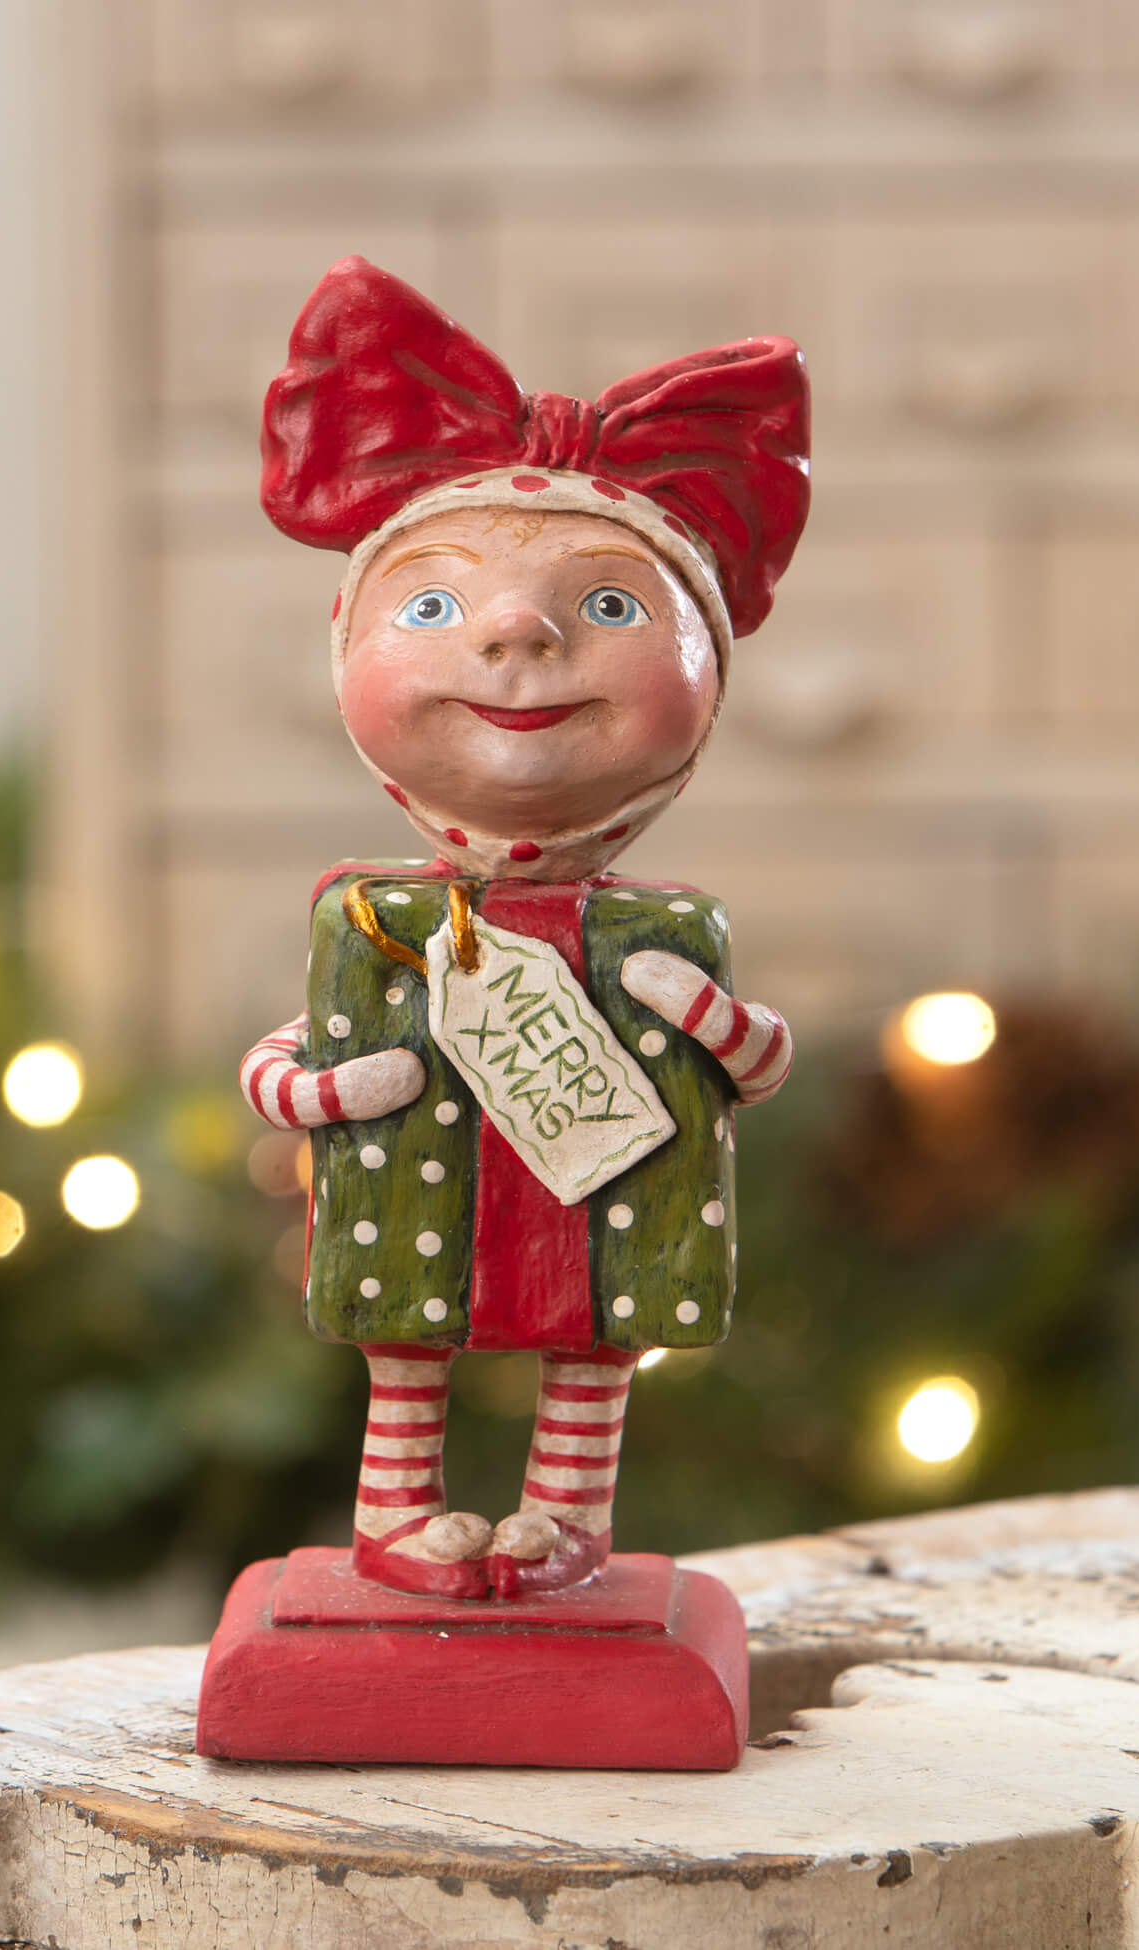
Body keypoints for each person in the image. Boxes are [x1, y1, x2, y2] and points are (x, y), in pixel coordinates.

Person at [238, 256, 810, 1600]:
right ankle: (395, 1515)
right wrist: (316, 1090)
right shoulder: (374, 926)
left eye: (609, 604)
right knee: (404, 1334)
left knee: (595, 1338)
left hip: (609, 1214)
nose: (516, 631)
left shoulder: (667, 936)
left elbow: (757, 1062)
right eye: (432, 604)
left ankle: (566, 1520)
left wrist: (716, 1019)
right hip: (417, 1200)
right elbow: (279, 1061)